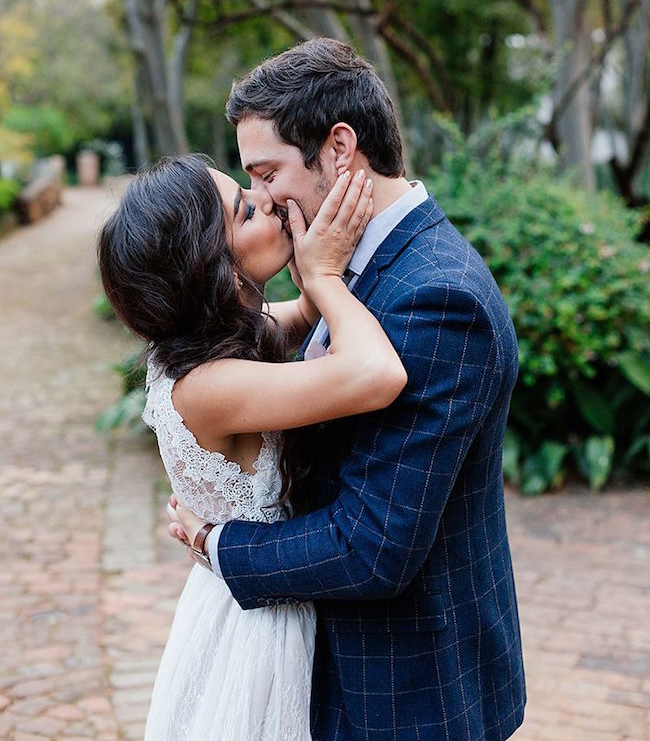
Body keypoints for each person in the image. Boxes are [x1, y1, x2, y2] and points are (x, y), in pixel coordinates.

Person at [168, 37, 526, 741]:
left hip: (405, 691)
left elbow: (372, 547)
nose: (264, 200)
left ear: (339, 147)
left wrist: (220, 544)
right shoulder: (337, 265)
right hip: (330, 674)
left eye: (267, 173)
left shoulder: (437, 297)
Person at [98, 154, 406, 741]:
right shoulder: (212, 385)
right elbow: (377, 373)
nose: (265, 199)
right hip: (261, 622)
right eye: (246, 210)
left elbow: (306, 318)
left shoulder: (214, 344)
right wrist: (324, 277)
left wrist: (316, 265)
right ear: (215, 271)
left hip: (246, 588)